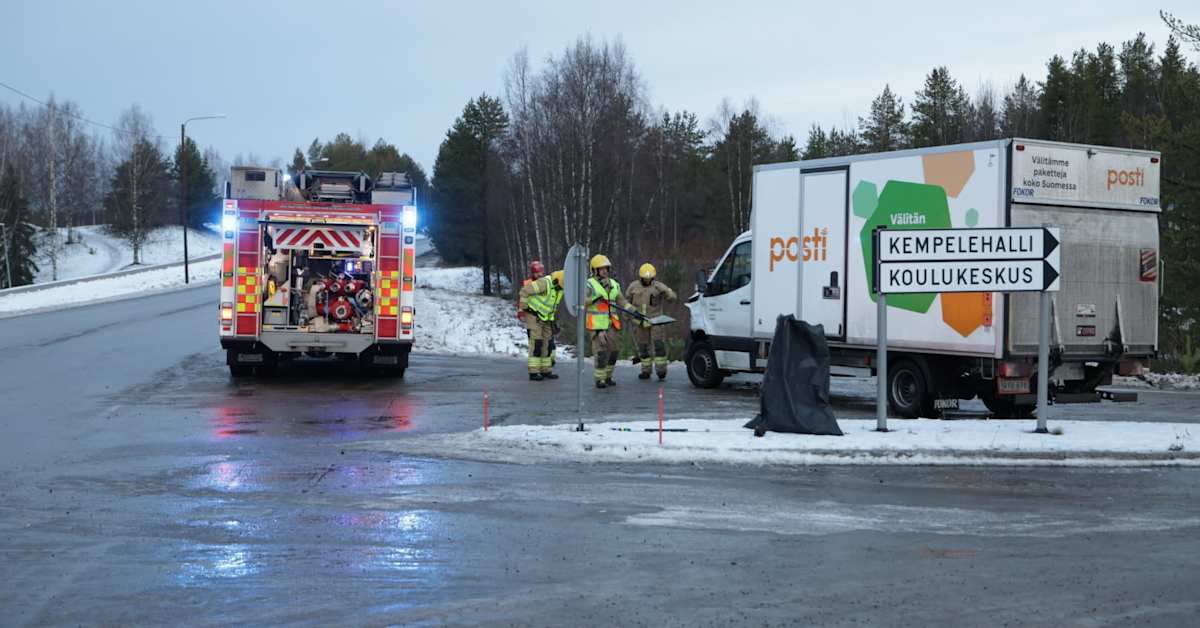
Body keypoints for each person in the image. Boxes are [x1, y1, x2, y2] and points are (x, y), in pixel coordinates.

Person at [625, 262, 677, 380]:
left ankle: (661, 371)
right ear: (641, 277)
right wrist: (626, 317)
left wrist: (666, 292)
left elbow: (673, 298)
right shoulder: (633, 287)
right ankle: (646, 371)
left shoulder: (658, 286)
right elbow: (626, 303)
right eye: (645, 278)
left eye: (649, 278)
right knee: (643, 347)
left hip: (655, 321)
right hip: (640, 322)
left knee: (659, 346)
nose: (647, 280)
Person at [585, 254, 630, 389]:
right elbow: (581, 302)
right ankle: (600, 379)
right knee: (601, 353)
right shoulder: (589, 284)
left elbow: (622, 301)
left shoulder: (614, 284)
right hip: (597, 326)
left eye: (606, 268)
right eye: (601, 269)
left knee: (614, 351)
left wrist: (633, 310)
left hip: (612, 324)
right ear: (595, 270)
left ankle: (608, 376)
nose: (605, 271)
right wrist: (594, 299)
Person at [518, 268, 563, 380]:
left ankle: (545, 370)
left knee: (547, 344)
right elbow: (524, 291)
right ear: (556, 281)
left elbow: (552, 305)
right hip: (533, 315)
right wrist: (523, 307)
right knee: (537, 343)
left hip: (546, 318)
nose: (561, 289)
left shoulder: (560, 288)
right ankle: (533, 372)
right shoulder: (544, 283)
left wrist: (552, 321)